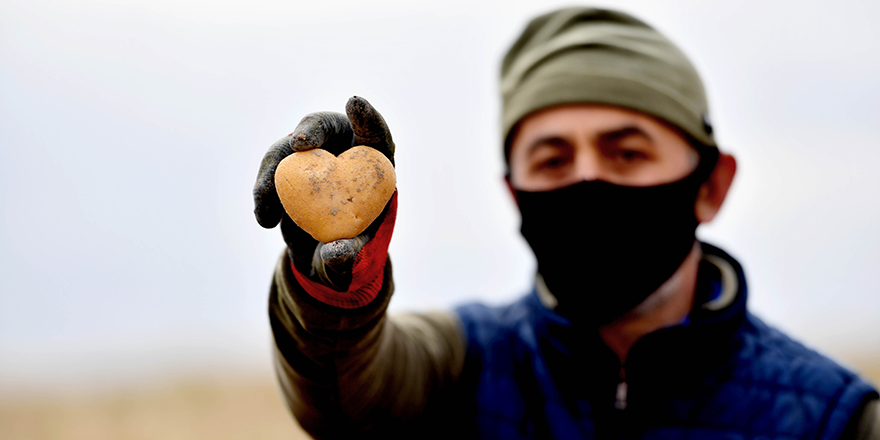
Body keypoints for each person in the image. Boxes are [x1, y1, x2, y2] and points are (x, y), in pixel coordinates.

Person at [253, 7, 879, 439]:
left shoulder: (838, 422)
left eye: (626, 152)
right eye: (552, 158)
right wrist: (335, 293)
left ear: (710, 185)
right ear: (515, 193)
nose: (586, 181)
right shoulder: (462, 366)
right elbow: (347, 399)